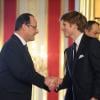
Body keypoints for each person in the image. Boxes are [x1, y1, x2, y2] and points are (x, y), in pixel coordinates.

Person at [0, 13, 58, 100]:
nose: (37, 31)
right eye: (34, 27)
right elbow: (22, 72)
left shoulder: (19, 45)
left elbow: (27, 72)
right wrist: (44, 81)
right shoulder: (12, 46)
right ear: (24, 27)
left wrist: (45, 83)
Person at [56, 11, 100, 100]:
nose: (62, 28)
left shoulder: (92, 43)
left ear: (75, 25)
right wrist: (56, 84)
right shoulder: (68, 51)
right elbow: (70, 77)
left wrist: (95, 96)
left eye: (64, 24)